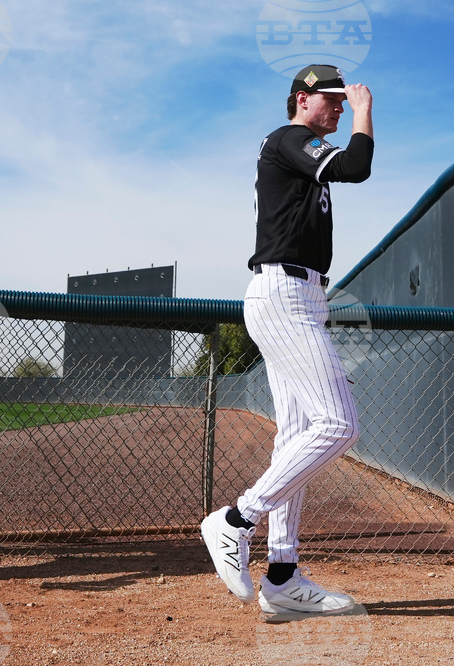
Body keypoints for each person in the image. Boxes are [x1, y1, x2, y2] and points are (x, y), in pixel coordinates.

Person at [201, 65, 373, 616]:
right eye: (332, 98)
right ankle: (236, 520)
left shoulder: (301, 149)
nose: (340, 105)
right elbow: (355, 167)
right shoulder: (289, 138)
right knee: (339, 425)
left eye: (344, 100)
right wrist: (365, 112)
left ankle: (281, 576)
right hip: (284, 293)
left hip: (303, 294)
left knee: (298, 434)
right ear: (302, 99)